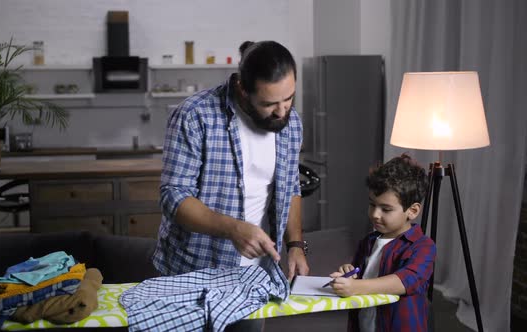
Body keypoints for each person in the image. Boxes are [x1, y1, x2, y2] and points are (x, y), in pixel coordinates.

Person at [152, 40, 309, 282]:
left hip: (258, 275)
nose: (281, 111)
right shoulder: (194, 116)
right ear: (242, 89)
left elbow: (290, 188)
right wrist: (232, 228)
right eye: (269, 104)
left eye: (288, 98)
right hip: (193, 271)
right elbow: (174, 196)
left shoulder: (292, 123)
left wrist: (296, 244)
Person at [330, 154, 436, 332]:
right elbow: (359, 273)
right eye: (372, 205)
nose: (375, 214)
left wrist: (356, 287)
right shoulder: (369, 241)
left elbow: (405, 281)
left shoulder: (423, 246)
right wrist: (349, 272)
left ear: (412, 210)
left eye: (386, 209)